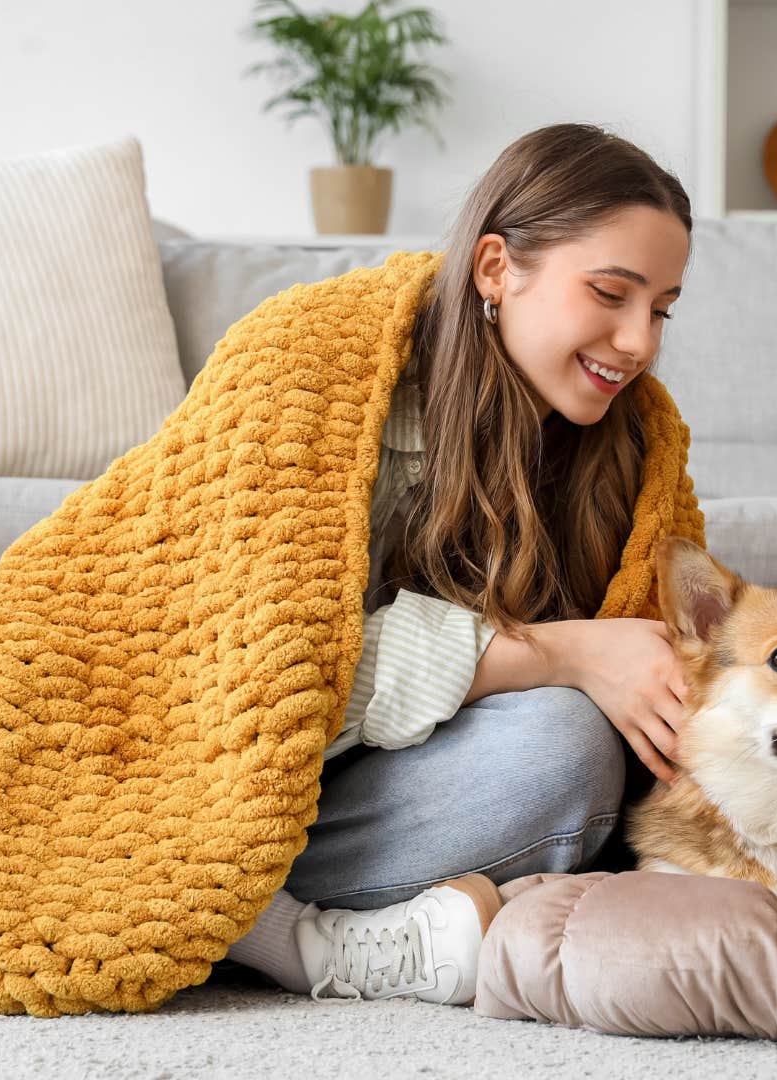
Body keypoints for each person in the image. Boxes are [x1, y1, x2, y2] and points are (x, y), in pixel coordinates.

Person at [222, 122, 695, 1005]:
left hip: (363, 804)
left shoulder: (626, 446)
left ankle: (287, 921)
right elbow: (261, 675)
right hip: (219, 782)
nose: (640, 343)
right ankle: (285, 935)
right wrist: (566, 651)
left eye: (662, 308)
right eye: (610, 293)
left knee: (570, 749)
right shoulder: (309, 369)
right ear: (494, 269)